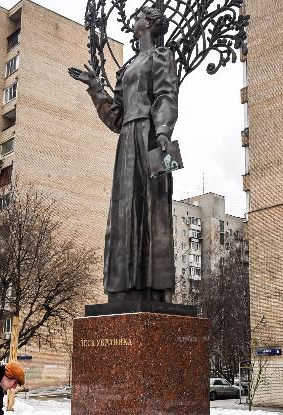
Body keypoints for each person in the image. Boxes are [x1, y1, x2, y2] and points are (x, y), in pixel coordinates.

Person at [68, 6, 179, 303]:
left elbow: (167, 96)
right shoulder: (128, 67)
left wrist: (165, 131)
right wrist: (95, 88)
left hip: (152, 136)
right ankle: (122, 286)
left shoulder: (162, 57)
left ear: (151, 24)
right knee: (124, 209)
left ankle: (153, 287)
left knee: (152, 208)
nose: (134, 19)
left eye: (140, 15)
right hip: (128, 139)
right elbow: (116, 117)